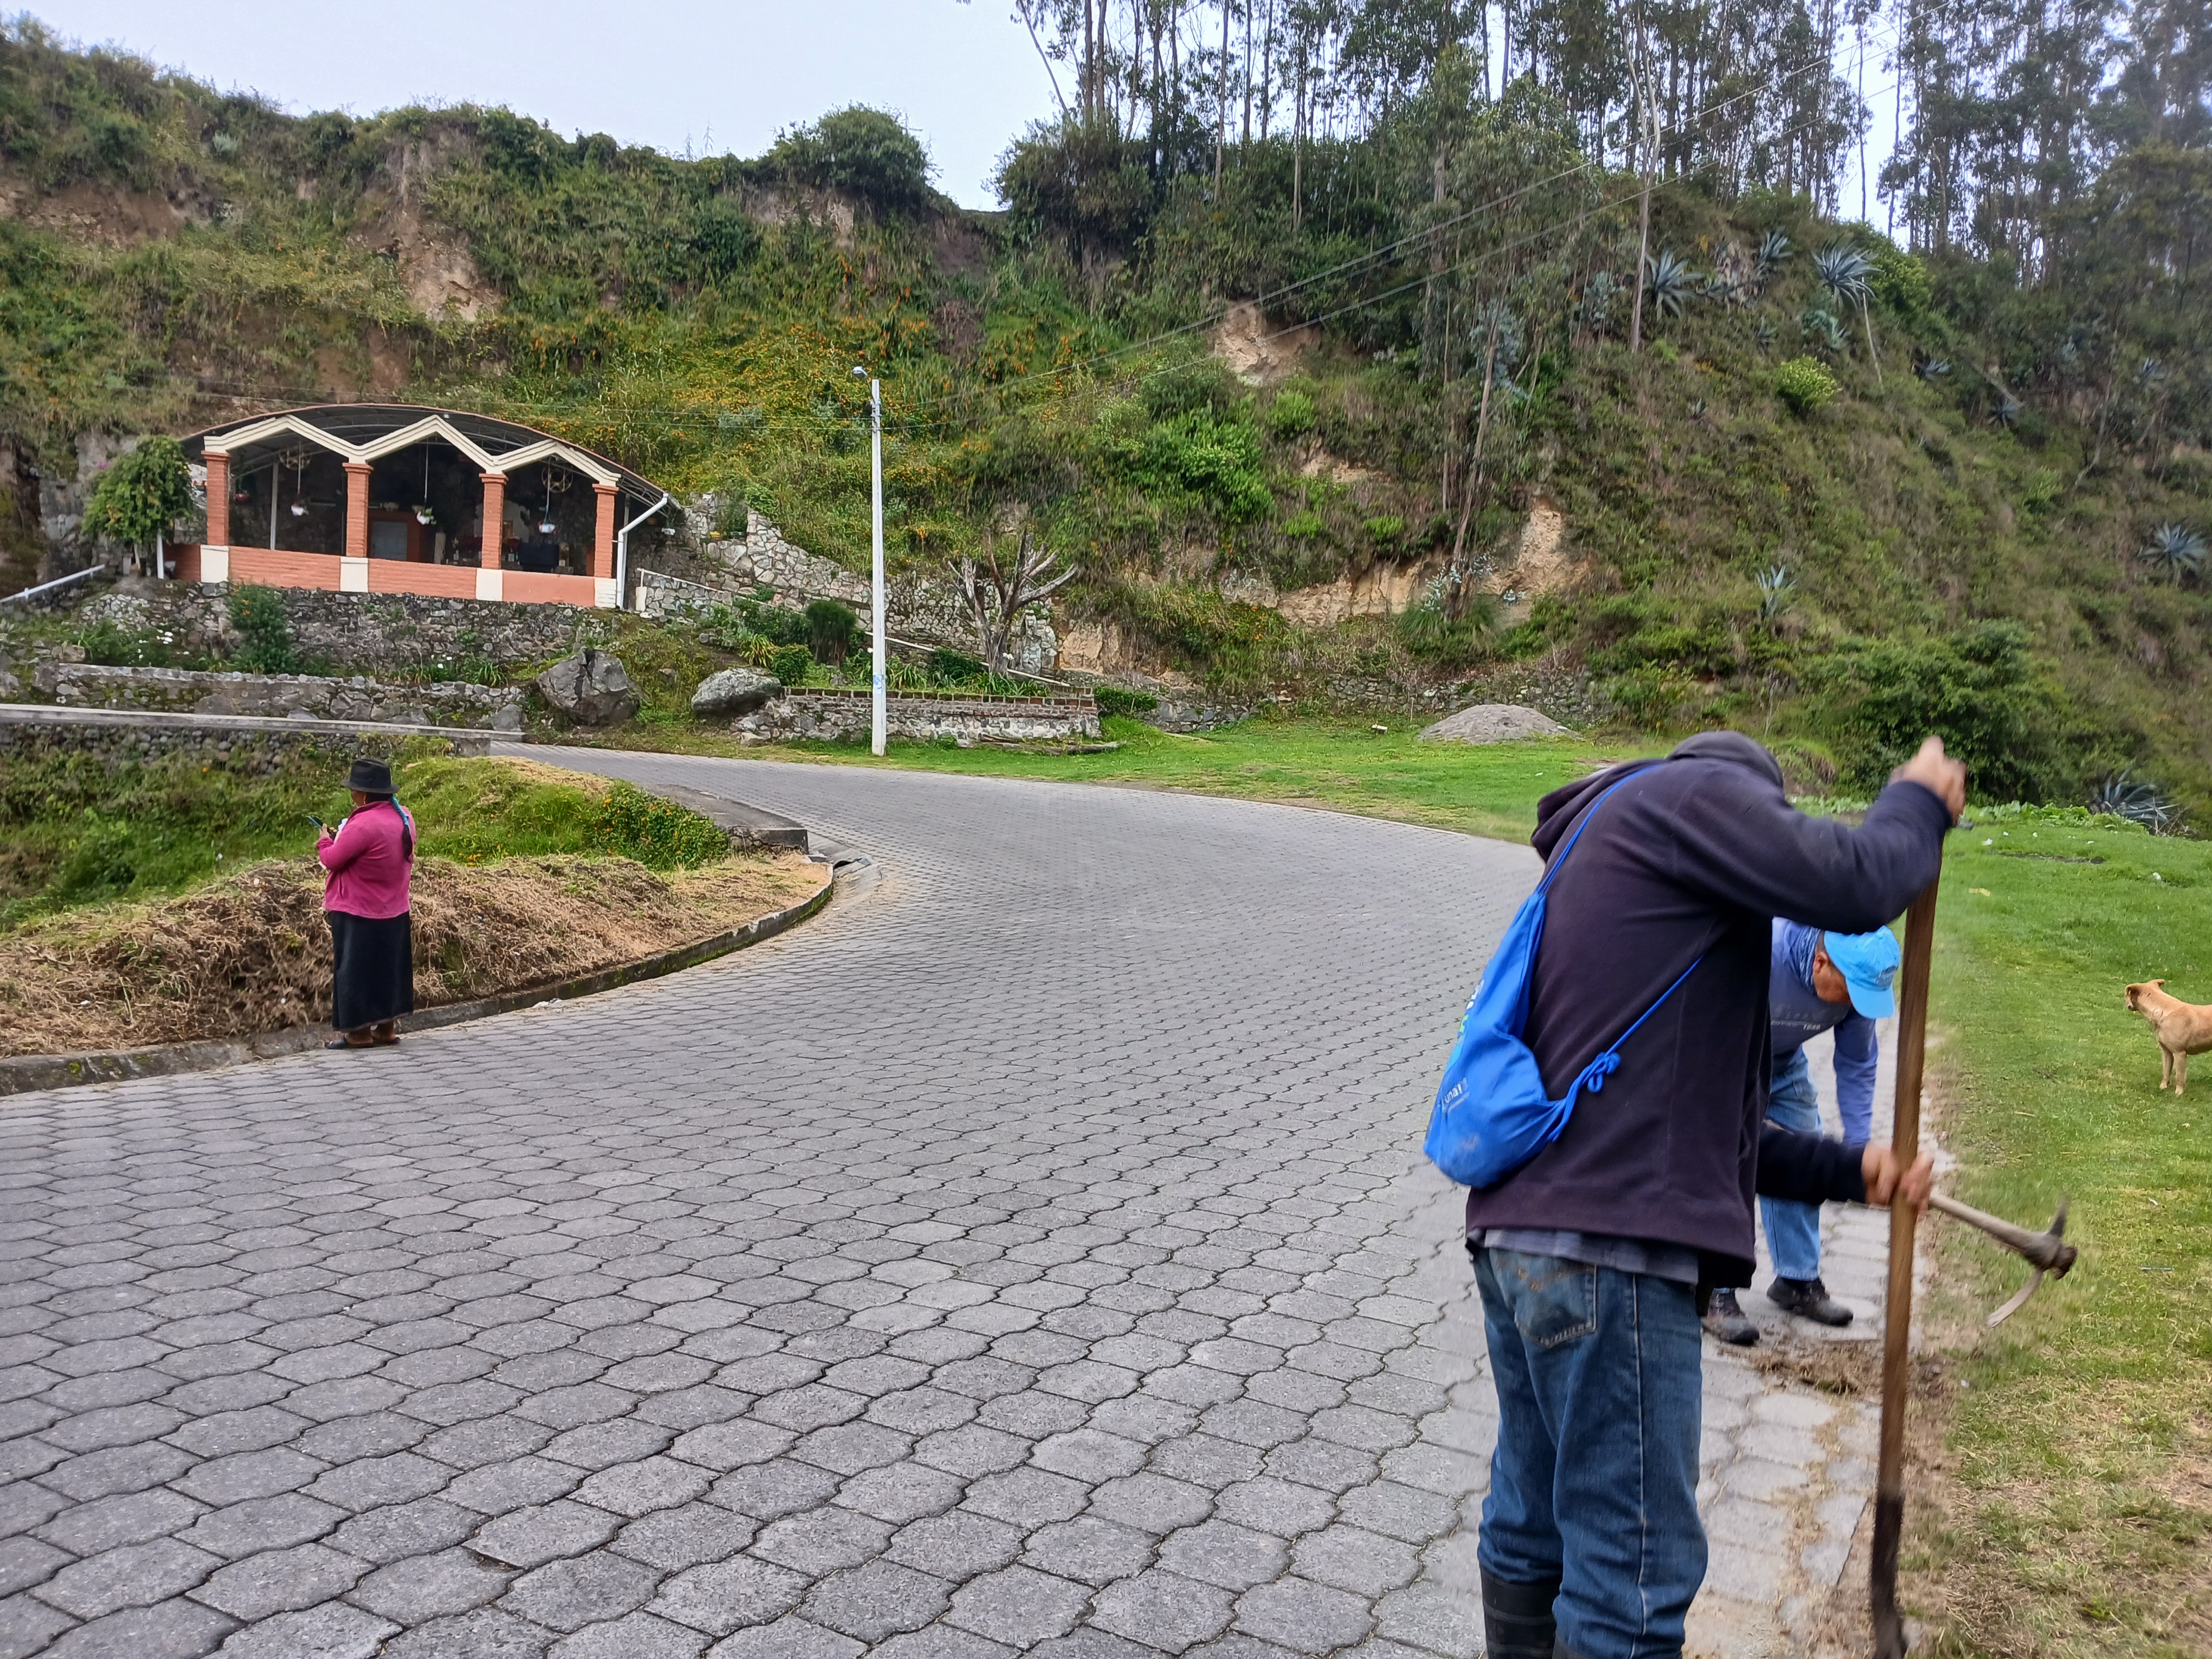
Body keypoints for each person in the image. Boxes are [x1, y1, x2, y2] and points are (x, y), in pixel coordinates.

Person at [1467, 731, 1959, 1659]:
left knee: (1530, 1523)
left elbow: (1714, 1135)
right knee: (1631, 1581)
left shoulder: (1623, 881)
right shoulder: (1690, 800)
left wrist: (1852, 1171)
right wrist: (1920, 804)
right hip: (1612, 1257)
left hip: (1522, 1243)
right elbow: (1860, 882)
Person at [1706, 922, 1902, 1344]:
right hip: (1726, 1060)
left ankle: (1796, 1279)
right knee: (1735, 1159)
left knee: (1805, 1149)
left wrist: (1856, 1156)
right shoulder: (1765, 953)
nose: (1856, 1006)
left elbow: (1857, 1065)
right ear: (1820, 964)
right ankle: (1715, 1287)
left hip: (1784, 1063)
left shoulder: (1857, 991)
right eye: (1851, 993)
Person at [317, 756, 416, 1050]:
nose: (352, 795)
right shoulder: (404, 817)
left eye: (353, 790)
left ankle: (358, 1035)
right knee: (388, 970)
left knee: (356, 972)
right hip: (395, 910)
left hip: (359, 912)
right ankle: (386, 1030)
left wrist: (325, 841)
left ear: (362, 794)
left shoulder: (363, 824)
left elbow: (332, 860)